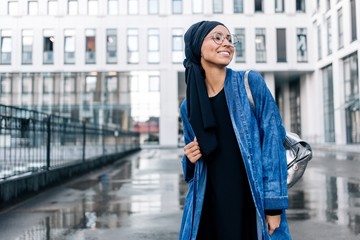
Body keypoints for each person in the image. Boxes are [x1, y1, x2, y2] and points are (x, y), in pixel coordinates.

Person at [178, 20, 291, 240]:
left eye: (230, 39)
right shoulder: (189, 106)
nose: (227, 44)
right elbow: (192, 171)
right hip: (207, 203)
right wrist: (189, 159)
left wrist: (274, 206)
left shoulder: (250, 83)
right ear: (196, 46)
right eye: (217, 38)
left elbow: (273, 142)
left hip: (249, 200)